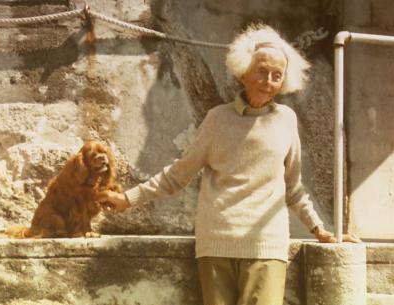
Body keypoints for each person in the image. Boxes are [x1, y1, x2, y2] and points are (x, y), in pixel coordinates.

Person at [101, 24, 359, 305]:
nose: (268, 81)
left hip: (266, 245)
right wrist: (127, 199)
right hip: (216, 242)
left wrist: (321, 230)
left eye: (277, 75)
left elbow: (293, 187)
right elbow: (178, 175)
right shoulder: (216, 120)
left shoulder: (286, 120)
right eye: (262, 71)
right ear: (244, 71)